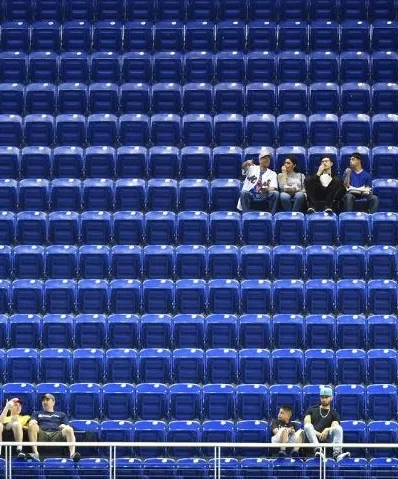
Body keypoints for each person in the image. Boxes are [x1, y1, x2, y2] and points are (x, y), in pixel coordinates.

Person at [27, 393, 80, 461]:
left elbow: (67, 426)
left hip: (57, 434)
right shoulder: (37, 413)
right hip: (42, 434)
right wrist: (32, 422)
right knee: (32, 426)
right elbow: (32, 422)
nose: (45, 402)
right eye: (43, 400)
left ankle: (72, 454)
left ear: (53, 402)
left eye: (47, 400)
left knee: (69, 429)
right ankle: (35, 453)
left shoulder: (61, 414)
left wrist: (64, 426)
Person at [303, 386, 350, 462]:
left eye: (326, 397)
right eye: (322, 397)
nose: (324, 399)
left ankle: (337, 454)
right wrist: (319, 434)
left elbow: (334, 426)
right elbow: (306, 425)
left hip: (327, 438)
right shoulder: (311, 409)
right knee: (308, 426)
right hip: (313, 437)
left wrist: (327, 429)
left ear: (331, 398)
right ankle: (318, 449)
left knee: (338, 428)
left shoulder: (334, 413)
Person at [237, 148, 279, 214]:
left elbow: (274, 187)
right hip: (251, 195)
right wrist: (247, 162)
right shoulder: (252, 168)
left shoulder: (272, 173)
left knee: (275, 193)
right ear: (260, 160)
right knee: (243, 193)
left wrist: (266, 189)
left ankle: (272, 216)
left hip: (264, 196)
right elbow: (243, 168)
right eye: (265, 158)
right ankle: (245, 215)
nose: (267, 160)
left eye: (269, 159)